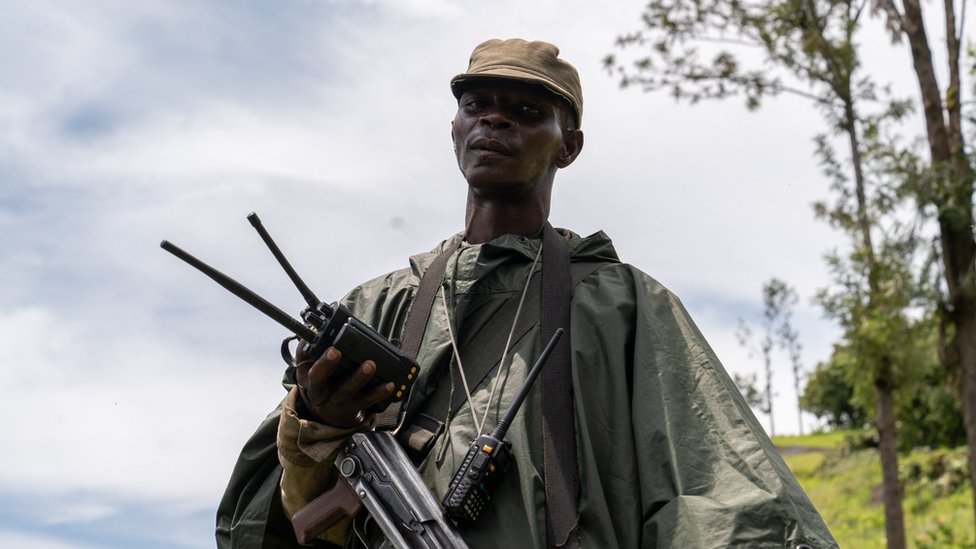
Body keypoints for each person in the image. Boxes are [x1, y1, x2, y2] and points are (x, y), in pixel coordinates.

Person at [216, 38, 838, 548]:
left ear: (569, 146)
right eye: (477, 105)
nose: (494, 119)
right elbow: (256, 525)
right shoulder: (379, 308)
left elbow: (725, 502)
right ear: (454, 129)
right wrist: (315, 425)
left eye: (526, 111)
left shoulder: (623, 307)